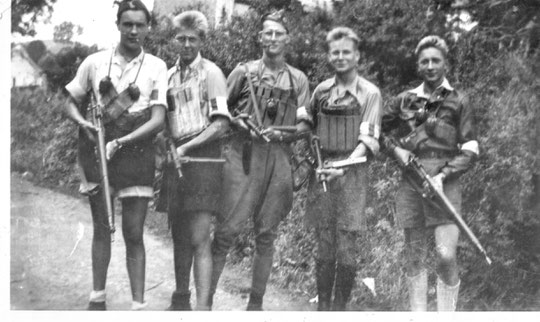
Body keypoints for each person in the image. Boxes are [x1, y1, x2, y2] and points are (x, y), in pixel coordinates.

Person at [63, 0, 167, 310]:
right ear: (118, 25)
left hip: (136, 150)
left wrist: (123, 141)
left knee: (134, 231)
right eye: (127, 24)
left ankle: (138, 305)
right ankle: (98, 299)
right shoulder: (94, 63)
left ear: (148, 28)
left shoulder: (157, 66)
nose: (134, 30)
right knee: (100, 227)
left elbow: (158, 119)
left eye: (140, 24)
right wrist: (84, 123)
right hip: (99, 151)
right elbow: (69, 101)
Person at [209, 11, 311, 310]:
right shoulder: (243, 72)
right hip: (243, 155)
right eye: (268, 33)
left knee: (267, 234)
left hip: (279, 159)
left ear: (287, 39)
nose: (274, 39)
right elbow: (219, 113)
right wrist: (239, 123)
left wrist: (283, 133)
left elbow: (305, 125)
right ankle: (205, 301)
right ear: (260, 38)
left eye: (279, 33)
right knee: (226, 231)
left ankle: (255, 306)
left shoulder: (298, 79)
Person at [381, 35, 479, 311]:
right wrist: (395, 150)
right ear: (418, 65)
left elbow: (471, 150)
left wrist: (443, 175)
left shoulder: (459, 101)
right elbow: (376, 128)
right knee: (415, 256)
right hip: (412, 180)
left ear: (446, 64)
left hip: (445, 183)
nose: (430, 65)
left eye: (436, 60)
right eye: (425, 61)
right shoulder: (405, 99)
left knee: (446, 255)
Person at [304, 27, 383, 311]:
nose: (340, 57)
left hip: (352, 175)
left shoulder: (370, 93)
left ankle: (339, 308)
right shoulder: (321, 91)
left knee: (346, 244)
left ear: (357, 55)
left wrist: (343, 167)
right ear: (329, 55)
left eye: (346, 52)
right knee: (324, 241)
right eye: (334, 52)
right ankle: (323, 307)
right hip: (324, 171)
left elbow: (368, 141)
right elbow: (310, 126)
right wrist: (316, 160)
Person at [160, 10, 231, 311]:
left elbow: (221, 124)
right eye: (181, 39)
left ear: (202, 40)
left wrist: (188, 148)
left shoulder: (212, 73)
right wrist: (167, 146)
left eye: (193, 39)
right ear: (174, 40)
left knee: (200, 236)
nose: (187, 45)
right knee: (178, 234)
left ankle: (203, 309)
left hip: (203, 160)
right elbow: (162, 120)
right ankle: (180, 300)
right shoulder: (166, 76)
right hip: (175, 159)